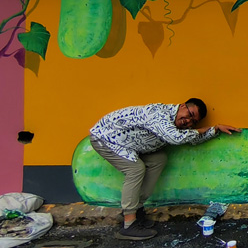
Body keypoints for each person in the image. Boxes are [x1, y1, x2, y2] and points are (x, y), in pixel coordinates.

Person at [88, 98, 240, 240]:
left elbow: (190, 139)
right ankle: (129, 224)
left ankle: (137, 210)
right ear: (182, 106)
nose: (188, 121)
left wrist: (215, 130)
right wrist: (201, 129)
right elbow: (175, 137)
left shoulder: (178, 126)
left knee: (158, 159)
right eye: (189, 114)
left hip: (129, 145)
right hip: (106, 138)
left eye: (193, 122)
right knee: (135, 169)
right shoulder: (159, 114)